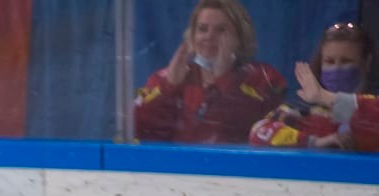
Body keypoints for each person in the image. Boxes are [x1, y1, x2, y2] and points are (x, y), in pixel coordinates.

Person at [135, 0, 284, 145]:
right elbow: (139, 129)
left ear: (239, 37)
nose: (209, 37)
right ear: (192, 36)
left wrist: (223, 80)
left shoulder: (263, 78)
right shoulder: (165, 78)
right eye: (202, 29)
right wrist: (168, 87)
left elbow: (254, 133)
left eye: (221, 30)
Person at [252, 24, 378, 150]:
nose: (336, 68)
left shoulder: (373, 106)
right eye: (329, 61)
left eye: (346, 61)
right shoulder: (302, 110)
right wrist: (314, 142)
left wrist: (323, 97)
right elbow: (258, 132)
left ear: (366, 62)